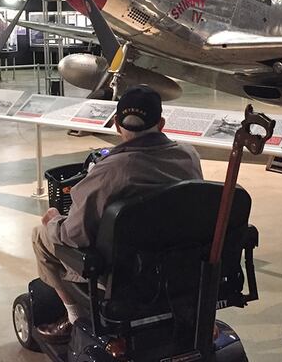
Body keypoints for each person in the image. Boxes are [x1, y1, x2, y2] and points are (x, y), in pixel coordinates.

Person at [32, 85, 203, 342]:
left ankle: (75, 317)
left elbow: (73, 235)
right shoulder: (189, 156)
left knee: (41, 234)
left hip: (121, 273)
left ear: (116, 125)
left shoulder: (111, 171)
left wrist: (53, 220)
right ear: (161, 124)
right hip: (179, 265)